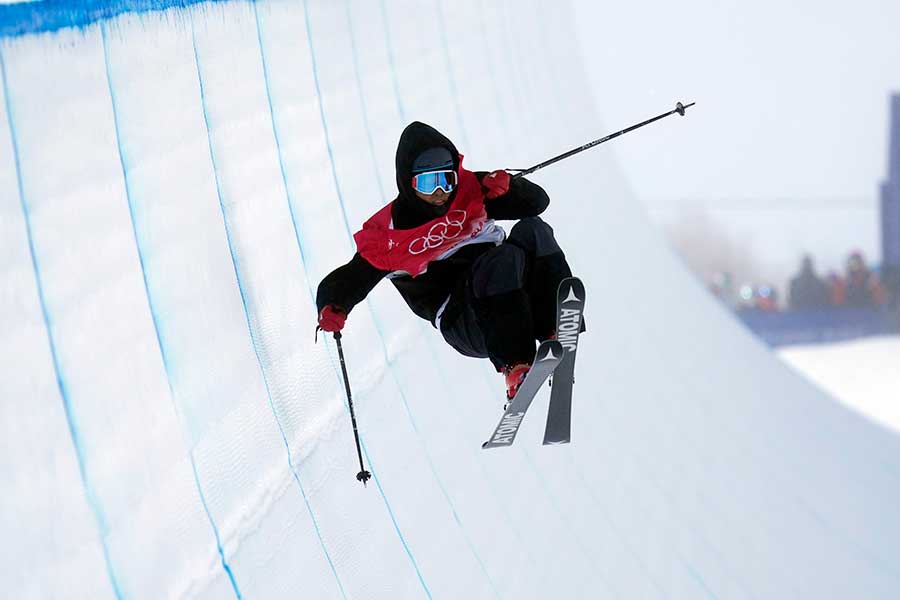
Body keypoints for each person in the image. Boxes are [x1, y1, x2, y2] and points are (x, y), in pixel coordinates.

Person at [315, 122, 578, 402]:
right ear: (408, 182)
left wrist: (510, 188)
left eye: (447, 179)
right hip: (465, 319)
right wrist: (332, 304)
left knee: (534, 230)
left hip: (511, 294)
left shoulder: (472, 191)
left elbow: (537, 203)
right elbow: (350, 278)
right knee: (500, 260)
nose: (441, 191)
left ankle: (554, 328)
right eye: (429, 183)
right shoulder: (390, 236)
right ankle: (516, 366)